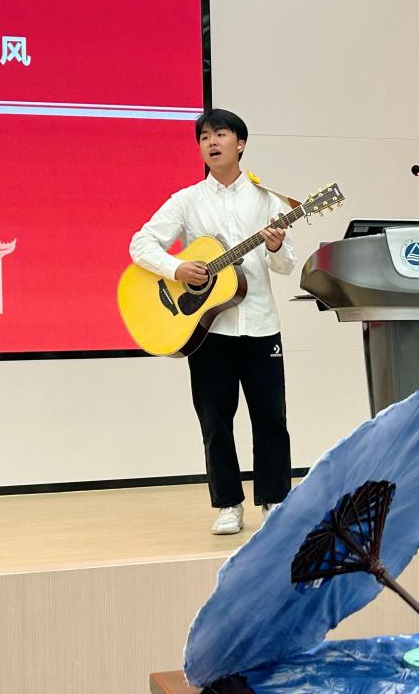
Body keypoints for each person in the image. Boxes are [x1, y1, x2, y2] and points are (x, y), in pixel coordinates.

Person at [129, 108, 297, 535]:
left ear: (240, 144)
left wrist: (275, 247)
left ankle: (274, 500)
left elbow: (285, 266)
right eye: (204, 137)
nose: (211, 142)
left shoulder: (268, 200)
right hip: (208, 331)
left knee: (271, 417)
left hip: (260, 324)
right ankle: (228, 505)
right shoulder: (186, 200)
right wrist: (176, 268)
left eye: (220, 134)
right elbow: (141, 243)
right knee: (215, 420)